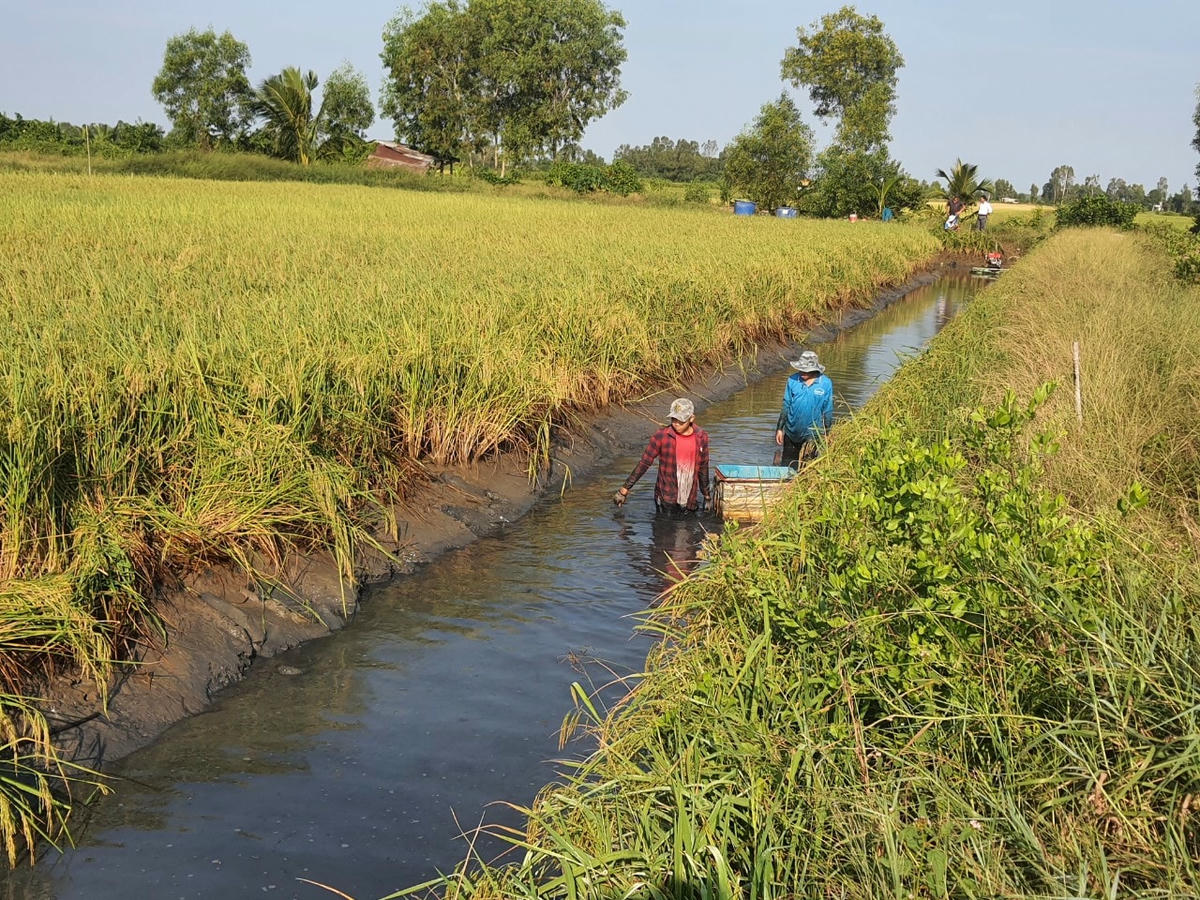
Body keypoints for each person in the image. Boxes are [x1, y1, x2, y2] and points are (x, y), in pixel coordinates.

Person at [613, 398, 710, 513]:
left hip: (690, 499)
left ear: (691, 418)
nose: (676, 424)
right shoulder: (662, 436)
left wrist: (706, 495)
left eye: (681, 421)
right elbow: (644, 463)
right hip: (666, 498)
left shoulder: (701, 437)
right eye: (674, 419)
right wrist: (624, 489)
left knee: (687, 527)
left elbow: (703, 467)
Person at [775, 350, 833, 467]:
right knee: (787, 466)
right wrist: (780, 429)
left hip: (812, 435)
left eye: (805, 370)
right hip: (791, 432)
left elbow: (828, 410)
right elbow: (786, 405)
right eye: (801, 369)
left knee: (807, 466)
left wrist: (828, 433)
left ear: (814, 370)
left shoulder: (825, 383)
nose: (802, 372)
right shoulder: (792, 380)